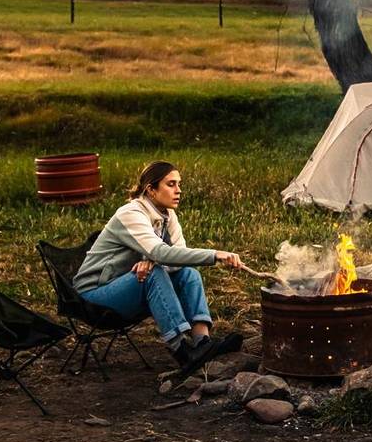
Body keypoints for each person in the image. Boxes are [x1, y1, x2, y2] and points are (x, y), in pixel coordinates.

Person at [73, 160, 244, 377]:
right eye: (171, 184)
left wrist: (153, 260)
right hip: (95, 294)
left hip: (127, 286)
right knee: (154, 273)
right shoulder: (131, 213)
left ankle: (203, 343)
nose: (178, 190)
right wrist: (214, 255)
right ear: (151, 190)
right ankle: (182, 351)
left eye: (179, 184)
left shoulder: (167, 215)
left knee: (188, 272)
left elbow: (177, 256)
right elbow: (162, 253)